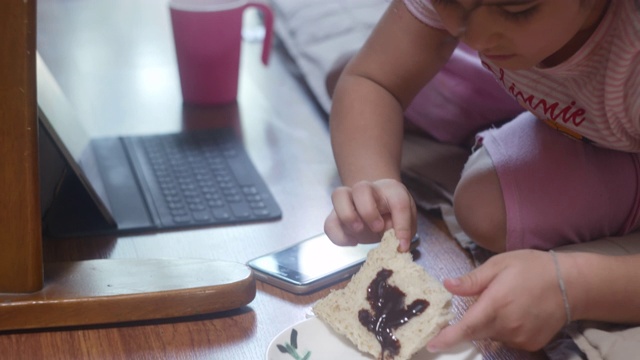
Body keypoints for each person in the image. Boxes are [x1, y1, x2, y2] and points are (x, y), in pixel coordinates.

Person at [323, 0, 640, 353]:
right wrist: (374, 181)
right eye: (449, 3)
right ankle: (502, 95)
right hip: (586, 109)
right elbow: (372, 79)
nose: (474, 35)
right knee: (350, 80)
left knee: (485, 209)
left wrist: (574, 285)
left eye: (518, 10)